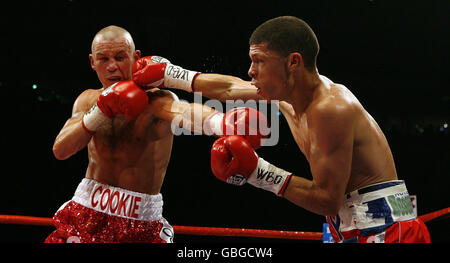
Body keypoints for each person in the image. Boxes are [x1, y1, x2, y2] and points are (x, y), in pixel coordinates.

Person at [132, 16, 431, 243]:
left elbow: (328, 198)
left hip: (389, 228)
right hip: (348, 227)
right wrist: (172, 75)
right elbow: (230, 87)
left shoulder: (330, 108)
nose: (251, 70)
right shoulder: (287, 97)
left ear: (293, 62)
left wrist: (257, 172)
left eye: (259, 61)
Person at [47, 25, 267, 243]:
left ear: (136, 57)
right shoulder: (87, 99)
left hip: (139, 219)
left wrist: (223, 122)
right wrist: (100, 112)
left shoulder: (156, 100)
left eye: (120, 57)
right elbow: (61, 150)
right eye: (103, 59)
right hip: (85, 210)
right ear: (92, 62)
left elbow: (185, 112)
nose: (112, 66)